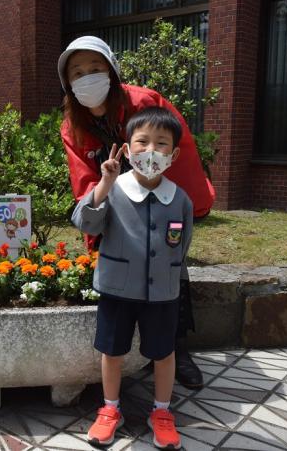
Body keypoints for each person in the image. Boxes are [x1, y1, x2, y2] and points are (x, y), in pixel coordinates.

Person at [58, 35, 211, 389]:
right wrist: (93, 227)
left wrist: (185, 203)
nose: (87, 77)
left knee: (173, 267)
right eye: (77, 72)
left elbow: (179, 147)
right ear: (68, 83)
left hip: (162, 196)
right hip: (118, 201)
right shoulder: (72, 126)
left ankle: (176, 348)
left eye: (95, 68)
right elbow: (83, 177)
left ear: (111, 70)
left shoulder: (144, 102)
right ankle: (133, 355)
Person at [72, 107, 192, 449]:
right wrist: (103, 184)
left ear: (175, 153)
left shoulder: (178, 198)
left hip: (163, 292)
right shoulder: (114, 188)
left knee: (163, 352)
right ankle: (110, 409)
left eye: (161, 143)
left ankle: (162, 412)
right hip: (116, 288)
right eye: (142, 141)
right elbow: (85, 223)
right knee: (112, 351)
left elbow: (181, 245)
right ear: (126, 148)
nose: (150, 151)